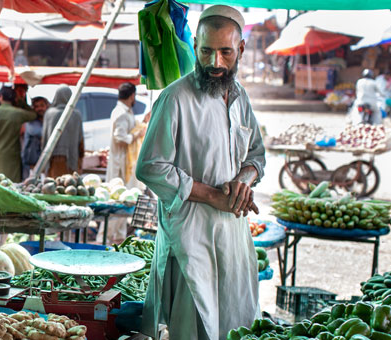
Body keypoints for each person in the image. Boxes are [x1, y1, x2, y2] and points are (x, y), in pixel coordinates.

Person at [135, 5, 265, 340]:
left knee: (235, 323)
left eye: (225, 52)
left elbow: (256, 155)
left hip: (233, 237)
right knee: (193, 329)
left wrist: (243, 181)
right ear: (194, 45)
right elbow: (150, 167)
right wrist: (211, 195)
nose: (215, 63)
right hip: (191, 239)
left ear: (241, 50)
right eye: (206, 51)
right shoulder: (175, 98)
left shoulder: (240, 98)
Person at [0, 87, 37, 182]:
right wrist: (21, 101)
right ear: (14, 98)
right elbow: (33, 114)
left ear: (0, 97)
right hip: (10, 158)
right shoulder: (19, 114)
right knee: (10, 187)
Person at [42, 85, 84, 178]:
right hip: (72, 159)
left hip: (53, 159)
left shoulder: (49, 113)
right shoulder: (76, 114)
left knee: (53, 186)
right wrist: (80, 160)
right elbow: (81, 141)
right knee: (69, 186)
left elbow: (44, 139)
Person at [107, 82, 144, 183]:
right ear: (132, 96)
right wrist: (137, 135)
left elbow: (131, 129)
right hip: (120, 165)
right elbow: (120, 139)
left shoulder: (126, 111)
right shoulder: (121, 113)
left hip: (126, 162)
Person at [21, 96, 50, 180]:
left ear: (46, 106)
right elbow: (39, 133)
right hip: (31, 163)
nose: (39, 108)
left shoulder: (47, 121)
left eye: (42, 105)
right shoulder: (31, 122)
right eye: (36, 106)